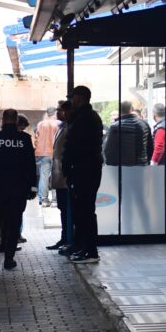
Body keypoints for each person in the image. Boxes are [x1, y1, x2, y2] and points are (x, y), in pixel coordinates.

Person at [0, 109, 36, 270]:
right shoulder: (25, 139)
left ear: (2, 120)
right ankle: (9, 258)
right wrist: (32, 187)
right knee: (13, 224)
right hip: (18, 188)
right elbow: (30, 165)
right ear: (15, 120)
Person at [61, 86, 104, 263]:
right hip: (85, 168)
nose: (72, 101)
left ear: (80, 98)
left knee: (85, 210)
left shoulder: (85, 118)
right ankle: (83, 246)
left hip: (84, 170)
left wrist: (68, 166)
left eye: (73, 97)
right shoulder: (84, 117)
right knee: (82, 210)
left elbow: (76, 146)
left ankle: (90, 250)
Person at [48, 101, 72, 250]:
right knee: (63, 208)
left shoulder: (70, 128)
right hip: (59, 176)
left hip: (66, 177)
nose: (58, 112)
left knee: (67, 209)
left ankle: (68, 238)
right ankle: (65, 238)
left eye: (60, 110)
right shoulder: (61, 127)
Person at [103, 101, 152, 166]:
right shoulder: (144, 124)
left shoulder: (115, 126)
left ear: (119, 111)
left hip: (122, 166)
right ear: (131, 109)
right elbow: (150, 147)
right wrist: (146, 161)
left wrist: (111, 166)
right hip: (141, 165)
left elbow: (109, 149)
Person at [34, 106, 60, 207]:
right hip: (55, 154)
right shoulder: (59, 124)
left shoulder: (40, 124)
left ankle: (44, 200)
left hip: (43, 153)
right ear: (55, 113)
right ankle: (54, 200)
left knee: (44, 177)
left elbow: (37, 139)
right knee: (55, 176)